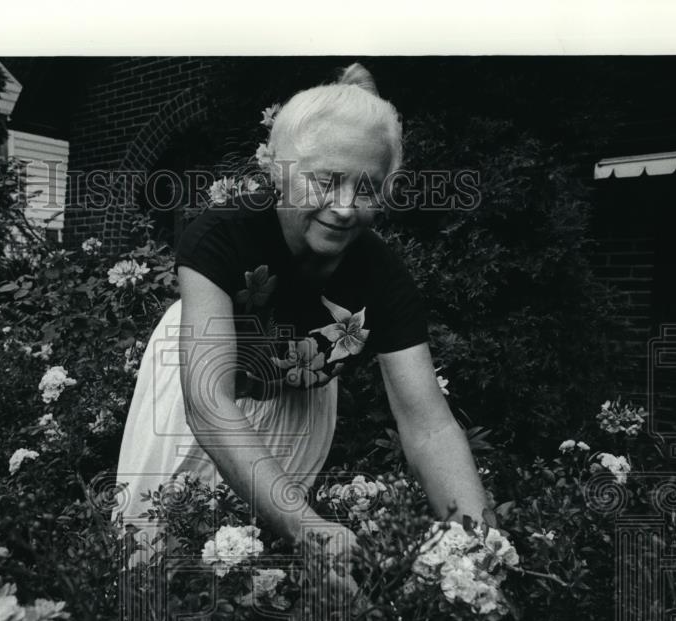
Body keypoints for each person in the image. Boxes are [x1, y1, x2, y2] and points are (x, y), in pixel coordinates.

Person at [113, 62, 489, 590]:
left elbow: (428, 425)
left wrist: (477, 544)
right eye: (326, 181)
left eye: (366, 188)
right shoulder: (221, 238)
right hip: (199, 400)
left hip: (297, 407)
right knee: (159, 555)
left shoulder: (384, 277)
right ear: (281, 172)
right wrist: (309, 526)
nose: (344, 209)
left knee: (259, 573)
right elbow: (208, 402)